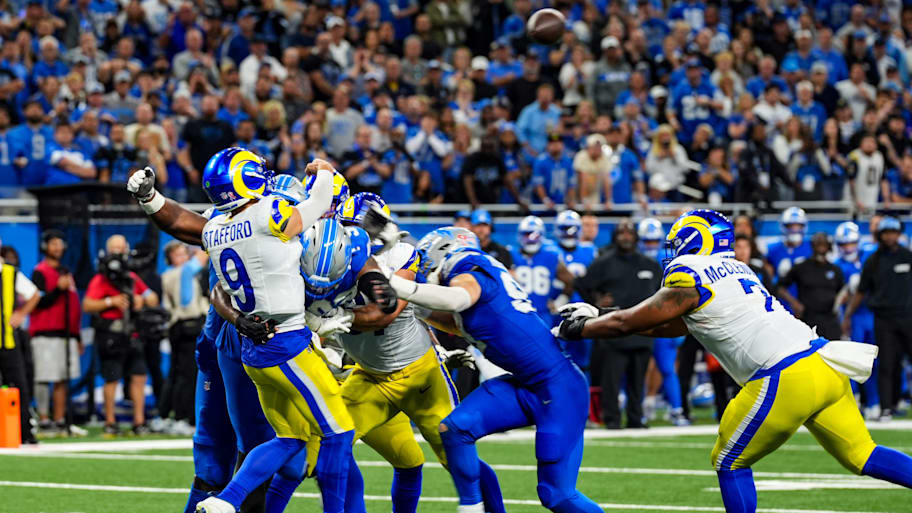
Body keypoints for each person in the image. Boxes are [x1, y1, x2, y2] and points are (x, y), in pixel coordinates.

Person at [556, 209, 912, 513]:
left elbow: (629, 323)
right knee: (862, 454)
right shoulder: (740, 270)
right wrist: (604, 314)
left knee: (729, 461)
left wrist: (581, 328)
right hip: (825, 363)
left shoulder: (690, 271)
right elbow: (675, 324)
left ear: (695, 239)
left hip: (785, 374)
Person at [183, 149, 389, 513]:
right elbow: (316, 205)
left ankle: (228, 500)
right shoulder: (269, 213)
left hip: (252, 349)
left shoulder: (214, 229)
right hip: (287, 342)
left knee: (289, 438)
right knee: (339, 433)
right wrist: (325, 171)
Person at [362, 221, 602, 513]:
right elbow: (446, 316)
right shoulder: (478, 274)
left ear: (443, 252)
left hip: (558, 388)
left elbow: (459, 297)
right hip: (526, 384)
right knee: (455, 428)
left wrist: (395, 282)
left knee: (557, 495)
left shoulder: (469, 264)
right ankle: (472, 507)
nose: (426, 271)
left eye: (427, 262)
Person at [576, 219, 662, 429]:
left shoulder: (650, 264)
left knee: (637, 381)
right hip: (613, 332)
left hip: (643, 332)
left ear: (635, 237)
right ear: (615, 237)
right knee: (611, 382)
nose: (625, 236)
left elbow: (663, 293)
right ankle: (612, 419)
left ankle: (636, 418)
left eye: (629, 233)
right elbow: (582, 284)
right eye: (621, 233)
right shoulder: (604, 262)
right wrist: (596, 303)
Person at [82, 234, 159, 436]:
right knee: (111, 378)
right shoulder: (101, 278)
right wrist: (111, 302)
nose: (118, 253)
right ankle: (110, 421)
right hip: (111, 334)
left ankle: (139, 422)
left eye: (121, 248)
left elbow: (152, 298)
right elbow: (88, 305)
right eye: (114, 249)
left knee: (139, 376)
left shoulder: (132, 277)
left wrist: (141, 300)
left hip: (133, 333)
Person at [844, 216, 912, 422]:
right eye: (886, 233)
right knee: (886, 364)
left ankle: (896, 402)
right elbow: (861, 291)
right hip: (884, 320)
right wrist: (847, 315)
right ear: (880, 235)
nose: (890, 236)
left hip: (908, 317)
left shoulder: (908, 257)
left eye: (893, 232)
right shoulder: (873, 261)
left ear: (899, 234)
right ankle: (886, 408)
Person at [28, 229, 83, 437]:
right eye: (53, 244)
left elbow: (73, 306)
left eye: (60, 244)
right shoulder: (39, 271)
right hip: (45, 332)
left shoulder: (65, 271)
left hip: (66, 332)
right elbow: (38, 302)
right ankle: (43, 419)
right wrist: (58, 289)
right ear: (45, 247)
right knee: (43, 377)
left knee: (62, 377)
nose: (57, 248)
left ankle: (59, 419)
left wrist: (76, 335)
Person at [638, 218, 689, 426]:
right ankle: (639, 408)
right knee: (638, 367)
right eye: (647, 241)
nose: (651, 245)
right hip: (640, 318)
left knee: (667, 367)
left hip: (662, 318)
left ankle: (676, 410)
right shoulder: (635, 260)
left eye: (654, 241)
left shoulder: (670, 261)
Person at [159, 242, 209, 436]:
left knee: (179, 373)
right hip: (187, 325)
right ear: (170, 258)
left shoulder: (176, 274)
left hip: (180, 327)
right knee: (187, 375)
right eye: (178, 254)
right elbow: (204, 255)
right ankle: (182, 417)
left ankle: (172, 415)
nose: (183, 257)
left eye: (184, 254)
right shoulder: (180, 273)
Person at [833, 221, 880, 420]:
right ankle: (855, 400)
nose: (848, 248)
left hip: (872, 313)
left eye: (851, 243)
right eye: (844, 245)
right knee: (851, 361)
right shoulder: (837, 266)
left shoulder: (870, 256)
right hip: (850, 317)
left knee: (874, 361)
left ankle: (874, 401)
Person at [0, 239, 40, 444]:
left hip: (8, 342)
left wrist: (21, 313)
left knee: (20, 387)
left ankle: (25, 432)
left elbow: (34, 294)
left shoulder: (10, 272)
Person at [553, 211, 597, 379]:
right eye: (565, 229)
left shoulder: (590, 251)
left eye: (573, 229)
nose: (569, 233)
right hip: (556, 313)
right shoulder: (551, 251)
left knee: (583, 361)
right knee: (556, 360)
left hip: (582, 313)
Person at [777, 232, 844, 340]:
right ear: (812, 245)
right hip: (807, 321)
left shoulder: (835, 270)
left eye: (824, 243)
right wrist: (794, 303)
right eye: (818, 242)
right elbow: (780, 287)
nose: (821, 245)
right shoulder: (801, 267)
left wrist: (839, 303)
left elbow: (843, 292)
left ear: (829, 246)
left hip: (830, 321)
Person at [510, 215, 574, 325]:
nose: (531, 239)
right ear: (520, 235)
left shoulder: (551, 256)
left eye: (535, 235)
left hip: (543, 315)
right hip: (515, 313)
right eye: (527, 234)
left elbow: (571, 281)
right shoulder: (510, 254)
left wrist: (560, 302)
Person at [766, 206, 812, 311]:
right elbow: (769, 277)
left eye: (798, 226)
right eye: (791, 226)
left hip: (806, 300)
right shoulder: (773, 249)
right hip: (780, 301)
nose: (794, 230)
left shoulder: (811, 247)